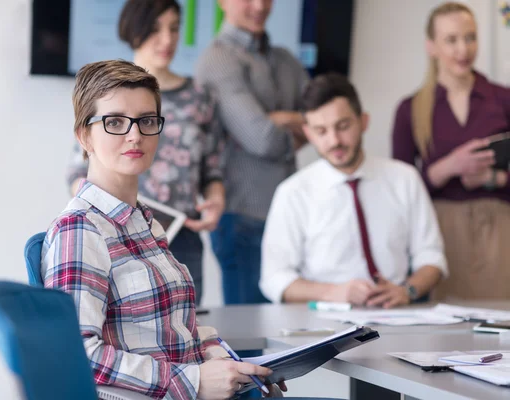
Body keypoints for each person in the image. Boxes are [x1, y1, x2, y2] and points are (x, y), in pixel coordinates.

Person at [42, 60, 288, 399]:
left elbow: (176, 332)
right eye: (115, 121)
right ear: (84, 135)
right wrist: (195, 381)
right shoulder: (80, 229)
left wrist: (234, 368)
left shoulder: (146, 222)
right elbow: (77, 354)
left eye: (146, 121)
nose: (135, 135)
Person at [67, 0, 225, 306]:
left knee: (187, 325)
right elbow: (77, 170)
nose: (167, 39)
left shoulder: (201, 98)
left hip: (182, 238)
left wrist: (215, 200)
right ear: (133, 30)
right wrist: (104, 220)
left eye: (174, 29)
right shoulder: (105, 92)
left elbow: (212, 168)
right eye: (155, 29)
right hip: (119, 233)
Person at [260, 73, 447, 308]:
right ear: (308, 133)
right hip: (322, 321)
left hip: (396, 313)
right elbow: (275, 279)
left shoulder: (405, 179)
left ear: (363, 121)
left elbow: (432, 257)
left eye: (343, 126)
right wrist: (334, 292)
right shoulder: (293, 192)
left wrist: (407, 290)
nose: (334, 140)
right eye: (321, 131)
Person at [392, 2, 510, 300]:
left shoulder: (503, 99)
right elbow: (398, 192)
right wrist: (447, 168)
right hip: (440, 234)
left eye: (470, 37)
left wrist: (493, 180)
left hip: (499, 230)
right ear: (431, 46)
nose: (463, 49)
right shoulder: (410, 109)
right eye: (451, 39)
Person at [196, 0, 310, 305]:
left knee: (291, 334)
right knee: (251, 339)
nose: (259, 5)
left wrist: (279, 121)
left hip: (289, 217)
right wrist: (292, 122)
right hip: (242, 217)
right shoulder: (218, 59)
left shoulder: (286, 60)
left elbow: (320, 121)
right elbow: (263, 139)